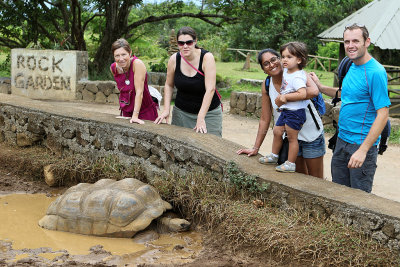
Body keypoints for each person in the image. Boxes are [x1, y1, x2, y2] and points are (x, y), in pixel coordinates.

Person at [310, 23, 390, 193]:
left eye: (355, 41)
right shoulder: (350, 65)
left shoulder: (376, 72)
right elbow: (345, 93)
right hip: (341, 140)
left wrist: (363, 150)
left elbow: (383, 114)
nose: (350, 45)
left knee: (358, 197)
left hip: (361, 144)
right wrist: (320, 87)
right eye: (347, 42)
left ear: (367, 42)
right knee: (339, 192)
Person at [237, 48, 325, 178]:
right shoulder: (267, 84)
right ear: (263, 69)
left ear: (280, 59)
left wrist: (286, 97)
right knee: (301, 177)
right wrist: (255, 148)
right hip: (291, 137)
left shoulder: (295, 72)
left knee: (316, 180)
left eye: (273, 59)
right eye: (266, 63)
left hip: (311, 135)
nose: (272, 64)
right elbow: (264, 119)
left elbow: (314, 91)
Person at [154, 26, 222, 137]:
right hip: (182, 112)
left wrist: (201, 117)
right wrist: (166, 109)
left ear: (195, 41)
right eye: (181, 43)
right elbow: (169, 84)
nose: (185, 46)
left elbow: (210, 89)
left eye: (189, 42)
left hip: (208, 113)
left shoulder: (207, 58)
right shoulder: (174, 59)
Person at [261, 42, 309, 173]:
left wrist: (285, 97)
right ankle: (274, 155)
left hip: (295, 112)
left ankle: (290, 163)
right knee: (277, 131)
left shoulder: (298, 76)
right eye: (283, 56)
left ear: (299, 60)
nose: (284, 60)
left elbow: (303, 93)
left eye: (289, 57)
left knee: (292, 138)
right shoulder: (288, 72)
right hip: (286, 110)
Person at [110, 38, 158, 124]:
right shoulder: (113, 68)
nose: (121, 59)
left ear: (130, 53)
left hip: (144, 111)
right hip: (126, 111)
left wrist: (135, 116)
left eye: (123, 54)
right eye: (117, 56)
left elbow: (139, 91)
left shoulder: (137, 64)